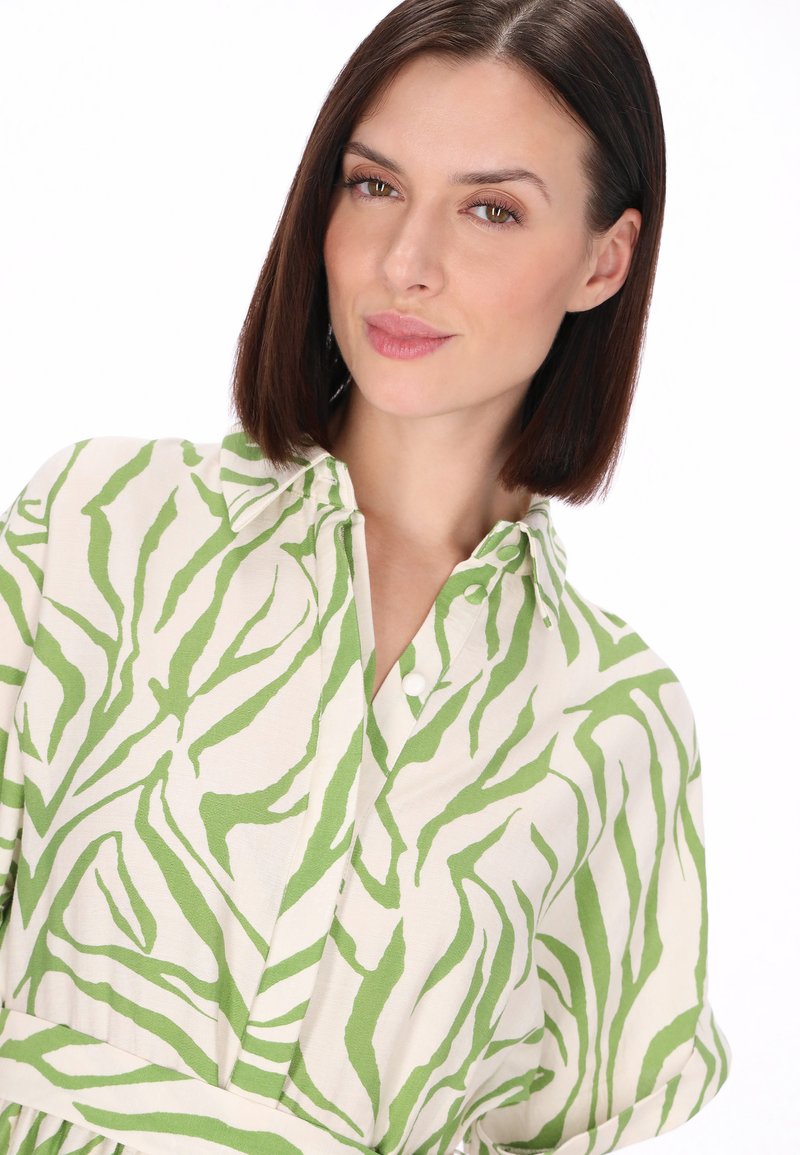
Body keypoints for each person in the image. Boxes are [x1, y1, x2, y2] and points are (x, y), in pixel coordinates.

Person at [0, 0, 731, 1152]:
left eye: (489, 209)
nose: (405, 264)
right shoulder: (104, 525)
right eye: (374, 185)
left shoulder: (613, 721)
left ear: (603, 259)